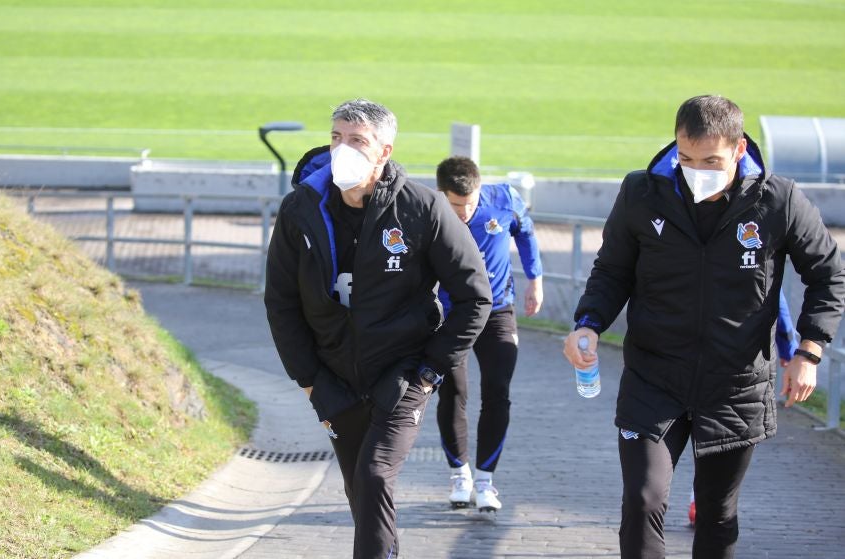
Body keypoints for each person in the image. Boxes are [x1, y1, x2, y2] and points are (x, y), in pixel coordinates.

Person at [562, 95, 845, 558]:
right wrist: (588, 324)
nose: (697, 171)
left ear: (737, 149)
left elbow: (829, 273)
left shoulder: (778, 200)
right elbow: (612, 271)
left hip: (736, 384)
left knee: (717, 513)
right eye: (686, 158)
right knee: (642, 499)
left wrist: (809, 351)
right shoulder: (641, 192)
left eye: (711, 160)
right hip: (653, 379)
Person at [264, 98, 492, 558]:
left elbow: (474, 297)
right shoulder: (299, 210)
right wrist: (308, 380)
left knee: (373, 476)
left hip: (403, 374)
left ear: (383, 151)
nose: (342, 149)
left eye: (357, 141)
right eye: (336, 138)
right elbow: (281, 303)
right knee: (362, 493)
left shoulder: (421, 208)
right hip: (332, 381)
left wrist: (429, 373)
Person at [434, 156, 543, 512]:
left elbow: (526, 233)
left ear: (480, 190)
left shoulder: (504, 200)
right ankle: (459, 475)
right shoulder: (430, 211)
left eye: (468, 205)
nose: (462, 213)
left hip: (498, 312)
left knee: (498, 393)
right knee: (453, 392)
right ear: (441, 195)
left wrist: (535, 279)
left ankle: (485, 480)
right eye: (454, 205)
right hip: (451, 315)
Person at [687, 291, 798, 527]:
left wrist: (791, 349)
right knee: (709, 434)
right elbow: (774, 297)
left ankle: (701, 500)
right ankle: (701, 500)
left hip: (721, 363)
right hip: (721, 359)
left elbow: (773, 294)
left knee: (711, 436)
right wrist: (788, 349)